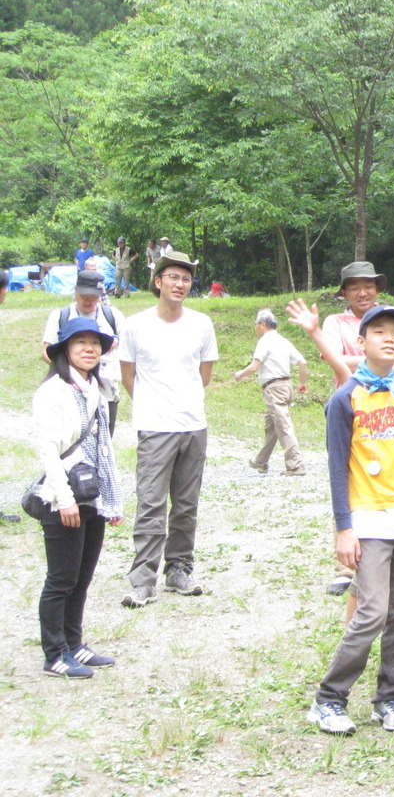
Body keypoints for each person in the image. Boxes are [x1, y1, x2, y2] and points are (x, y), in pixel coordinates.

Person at [307, 304, 394, 735]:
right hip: (368, 521)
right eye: (378, 331)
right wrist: (344, 528)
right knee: (371, 613)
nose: (389, 338)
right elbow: (336, 466)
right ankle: (329, 698)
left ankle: (390, 698)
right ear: (360, 343)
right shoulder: (345, 398)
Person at [118, 250, 219, 609]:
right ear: (158, 282)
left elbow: (204, 375)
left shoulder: (201, 324)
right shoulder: (135, 325)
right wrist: (152, 406)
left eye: (186, 278)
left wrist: (183, 403)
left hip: (194, 425)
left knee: (186, 504)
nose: (180, 284)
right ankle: (143, 580)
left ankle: (179, 569)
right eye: (173, 277)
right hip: (154, 427)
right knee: (150, 503)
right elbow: (128, 375)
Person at [33, 317, 125, 678]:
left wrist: (113, 501)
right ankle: (54, 653)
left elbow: (105, 449)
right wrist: (64, 498)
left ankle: (75, 644)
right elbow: (48, 450)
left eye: (95, 343)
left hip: (93, 497)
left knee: (82, 578)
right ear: (65, 350)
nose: (89, 349)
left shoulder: (96, 389)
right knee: (61, 579)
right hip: (65, 498)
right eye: (80, 343)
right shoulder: (53, 391)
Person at [319, 261, 394, 595]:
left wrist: (373, 354)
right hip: (348, 408)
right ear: (344, 292)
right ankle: (344, 564)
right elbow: (329, 355)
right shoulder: (335, 321)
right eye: (354, 287)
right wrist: (375, 358)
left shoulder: (391, 316)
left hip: (390, 405)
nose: (363, 292)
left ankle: (392, 545)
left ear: (377, 288)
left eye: (369, 285)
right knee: (344, 474)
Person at [42, 270, 123, 435]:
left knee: (104, 442)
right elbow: (46, 350)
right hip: (69, 388)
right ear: (75, 290)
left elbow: (128, 349)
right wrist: (73, 370)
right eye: (84, 294)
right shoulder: (61, 315)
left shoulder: (112, 316)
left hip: (105, 390)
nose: (89, 300)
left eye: (94, 296)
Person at [233, 309, 309, 477]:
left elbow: (255, 366)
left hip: (274, 388)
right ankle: (261, 461)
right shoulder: (283, 341)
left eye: (256, 324)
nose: (255, 327)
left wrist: (239, 375)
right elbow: (302, 362)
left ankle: (295, 465)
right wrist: (302, 383)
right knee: (272, 425)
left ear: (262, 325)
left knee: (282, 425)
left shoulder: (265, 341)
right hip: (286, 386)